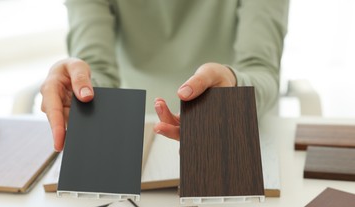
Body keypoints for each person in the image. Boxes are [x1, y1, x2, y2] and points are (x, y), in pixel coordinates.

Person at [40, 0, 289, 151]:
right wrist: (80, 90)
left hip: (237, 122)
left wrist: (233, 87)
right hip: (135, 131)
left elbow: (261, 69)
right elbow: (97, 71)